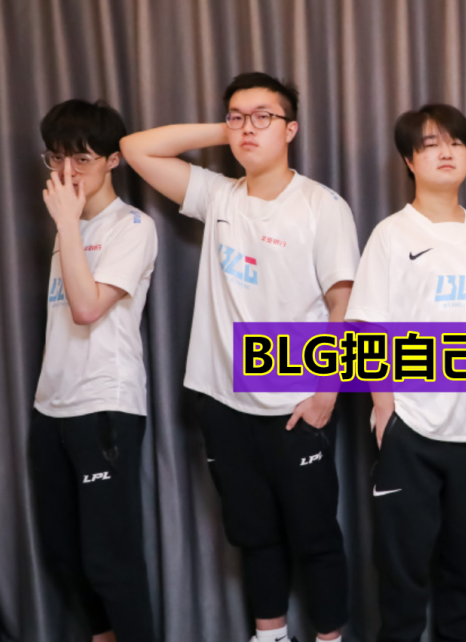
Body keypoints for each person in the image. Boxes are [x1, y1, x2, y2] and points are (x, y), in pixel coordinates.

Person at [120, 72, 359, 642]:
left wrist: (327, 391)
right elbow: (134, 149)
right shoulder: (219, 194)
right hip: (222, 400)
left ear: (291, 129)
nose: (249, 127)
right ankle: (269, 635)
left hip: (297, 401)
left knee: (315, 536)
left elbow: (344, 301)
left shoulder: (322, 205)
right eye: (237, 116)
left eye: (264, 117)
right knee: (253, 535)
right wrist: (228, 131)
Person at [345, 103, 466, 642]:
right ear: (409, 160)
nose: (446, 152)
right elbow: (367, 326)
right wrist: (384, 407)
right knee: (402, 570)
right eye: (431, 144)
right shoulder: (391, 234)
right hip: (412, 426)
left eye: (456, 143)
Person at [30, 98, 158, 642]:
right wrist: (68, 226)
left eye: (81, 159)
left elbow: (86, 308)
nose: (67, 172)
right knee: (64, 553)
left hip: (105, 405)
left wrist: (65, 223)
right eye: (57, 158)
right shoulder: (70, 227)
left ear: (112, 161)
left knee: (111, 559)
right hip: (51, 406)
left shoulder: (133, 226)